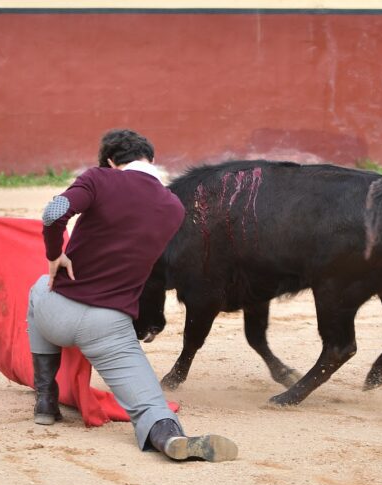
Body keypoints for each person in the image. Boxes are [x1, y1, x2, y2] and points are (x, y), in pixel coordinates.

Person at [26, 129, 238, 462]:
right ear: (151, 160)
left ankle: (45, 401)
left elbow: (54, 213)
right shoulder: (172, 207)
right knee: (150, 406)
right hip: (109, 326)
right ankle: (170, 439)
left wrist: (56, 255)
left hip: (59, 311)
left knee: (39, 287)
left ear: (111, 161)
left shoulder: (100, 179)